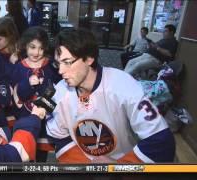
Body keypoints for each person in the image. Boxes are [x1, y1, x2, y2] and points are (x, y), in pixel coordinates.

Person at [46, 28, 175, 163]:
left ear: (89, 58)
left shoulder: (123, 85)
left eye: (67, 62)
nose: (60, 71)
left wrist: (116, 170)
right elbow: (59, 136)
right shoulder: (60, 91)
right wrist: (87, 165)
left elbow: (161, 141)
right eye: (57, 63)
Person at [11, 26, 61, 162]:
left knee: (41, 156)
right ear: (25, 46)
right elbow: (16, 96)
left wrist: (44, 86)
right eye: (32, 47)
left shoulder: (51, 67)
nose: (36, 52)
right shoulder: (18, 67)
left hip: (46, 121)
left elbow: (58, 93)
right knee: (24, 154)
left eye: (41, 48)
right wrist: (27, 84)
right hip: (24, 120)